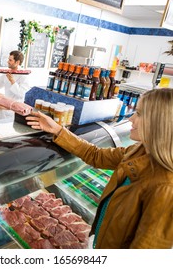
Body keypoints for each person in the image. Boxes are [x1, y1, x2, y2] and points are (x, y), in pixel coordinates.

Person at [26, 88, 173, 249]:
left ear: (160, 123)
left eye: (139, 113)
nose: (131, 118)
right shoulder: (138, 151)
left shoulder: (165, 188)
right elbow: (96, 155)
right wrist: (59, 130)